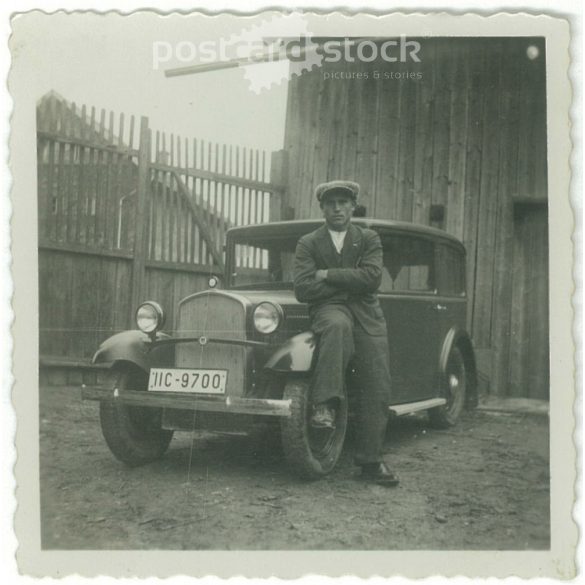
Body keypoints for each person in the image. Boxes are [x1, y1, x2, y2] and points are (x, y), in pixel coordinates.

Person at [293, 180, 399, 486]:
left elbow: (372, 278)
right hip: (329, 310)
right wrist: (348, 281)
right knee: (337, 327)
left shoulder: (368, 238)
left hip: (367, 316)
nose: (337, 208)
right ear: (322, 208)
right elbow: (302, 287)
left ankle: (371, 462)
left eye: (343, 203)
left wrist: (326, 274)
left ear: (353, 207)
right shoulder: (308, 243)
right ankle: (324, 406)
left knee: (377, 384)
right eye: (331, 204)